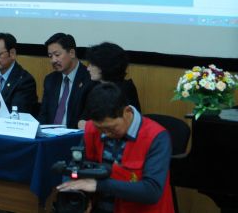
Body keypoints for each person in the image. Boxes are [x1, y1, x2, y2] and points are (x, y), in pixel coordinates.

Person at [57, 83, 174, 213]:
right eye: (100, 129)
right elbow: (75, 168)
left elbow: (152, 191)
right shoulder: (92, 130)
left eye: (111, 128)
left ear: (127, 112)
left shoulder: (156, 137)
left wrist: (99, 185)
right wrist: (77, 191)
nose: (105, 134)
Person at [38, 33, 94, 129]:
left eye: (57, 55)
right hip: (49, 135)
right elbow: (43, 115)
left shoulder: (89, 79)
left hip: (75, 136)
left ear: (72, 53)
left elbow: (86, 119)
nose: (53, 60)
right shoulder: (50, 80)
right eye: (50, 56)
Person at [86, 42, 141, 113]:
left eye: (92, 65)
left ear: (105, 66)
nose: (88, 68)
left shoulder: (125, 90)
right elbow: (86, 115)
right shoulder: (94, 86)